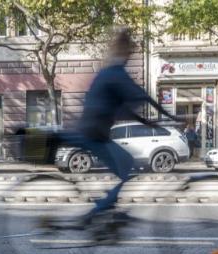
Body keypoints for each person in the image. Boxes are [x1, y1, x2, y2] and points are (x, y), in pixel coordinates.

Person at [57, 28, 179, 222]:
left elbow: (122, 107)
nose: (130, 57)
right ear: (124, 51)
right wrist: (173, 117)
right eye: (130, 53)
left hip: (91, 130)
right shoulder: (116, 73)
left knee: (123, 167)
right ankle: (99, 211)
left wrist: (145, 121)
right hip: (95, 133)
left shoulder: (108, 71)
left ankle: (109, 209)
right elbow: (144, 97)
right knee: (127, 164)